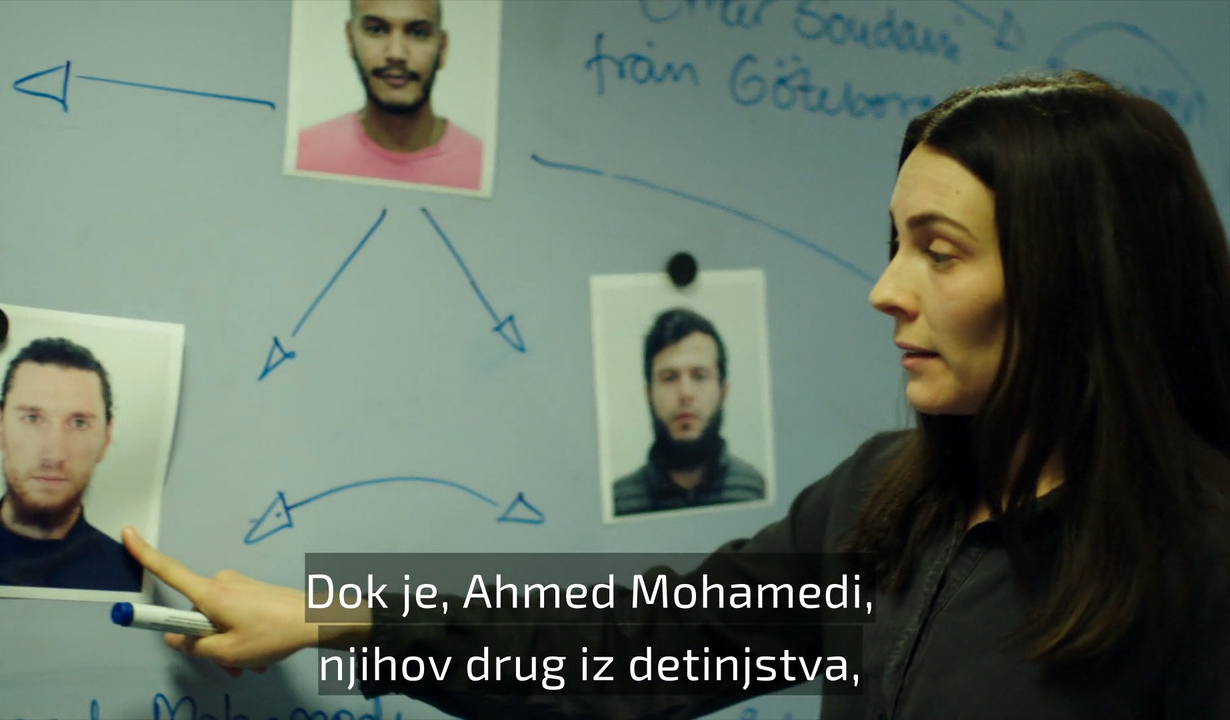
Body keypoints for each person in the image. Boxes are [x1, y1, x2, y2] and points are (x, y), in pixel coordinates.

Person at [121, 70, 1230, 718]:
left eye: (938, 251)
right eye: (893, 242)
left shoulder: (1202, 561)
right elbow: (643, 643)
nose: (886, 289)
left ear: (1079, 275)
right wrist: (338, 616)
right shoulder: (886, 501)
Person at [0, 338, 142, 592]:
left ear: (107, 436)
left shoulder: (131, 581)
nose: (53, 455)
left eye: (79, 423)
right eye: (32, 418)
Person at [295, 0, 484, 191]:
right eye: (376, 30)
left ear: (442, 48)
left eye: (418, 33)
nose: (396, 53)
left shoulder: (483, 169)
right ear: (351, 39)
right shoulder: (302, 156)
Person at [613, 307, 765, 516]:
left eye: (699, 376)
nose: (685, 393)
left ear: (723, 390)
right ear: (648, 394)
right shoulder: (618, 502)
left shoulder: (754, 489)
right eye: (669, 378)